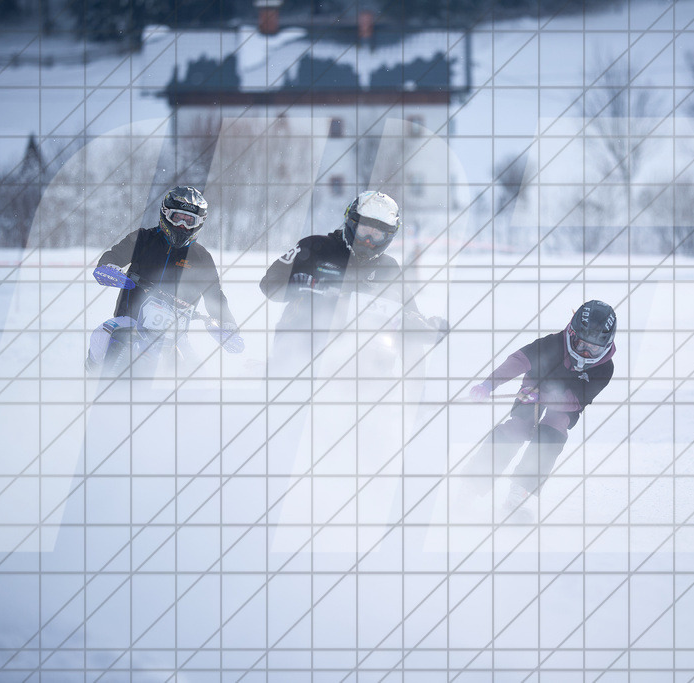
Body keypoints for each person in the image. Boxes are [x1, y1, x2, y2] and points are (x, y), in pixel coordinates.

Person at [259, 190, 447, 373]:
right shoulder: (314, 247)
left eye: (377, 234)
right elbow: (269, 283)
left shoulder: (389, 268)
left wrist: (429, 329)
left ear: (388, 236)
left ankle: (412, 395)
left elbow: (408, 314)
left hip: (365, 360)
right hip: (302, 347)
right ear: (350, 223)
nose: (368, 240)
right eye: (364, 230)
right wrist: (299, 285)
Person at [463, 300, 617, 516]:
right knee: (515, 429)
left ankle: (519, 493)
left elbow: (576, 400)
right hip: (533, 388)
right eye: (582, 344)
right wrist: (489, 384)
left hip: (565, 403)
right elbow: (518, 360)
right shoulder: (552, 344)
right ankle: (471, 485)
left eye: (594, 348)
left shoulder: (605, 369)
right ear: (572, 333)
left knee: (552, 432)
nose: (585, 353)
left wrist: (544, 396)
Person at [88, 185, 243, 373]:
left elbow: (215, 296)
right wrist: (108, 268)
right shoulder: (142, 239)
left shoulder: (201, 257)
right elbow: (113, 256)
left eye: (189, 220)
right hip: (131, 321)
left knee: (197, 372)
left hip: (175, 334)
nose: (182, 226)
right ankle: (93, 377)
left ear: (199, 222)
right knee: (100, 337)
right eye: (178, 218)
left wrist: (228, 324)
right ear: (165, 214)